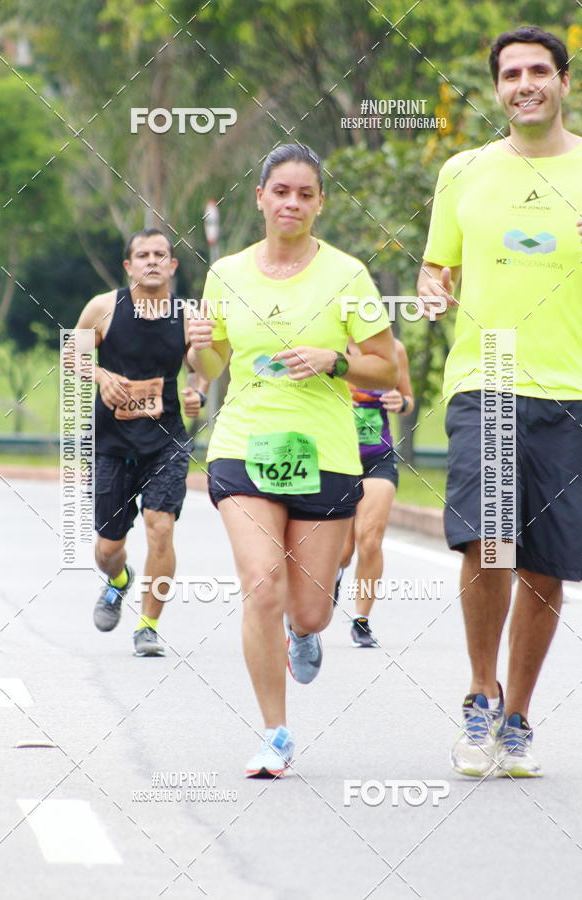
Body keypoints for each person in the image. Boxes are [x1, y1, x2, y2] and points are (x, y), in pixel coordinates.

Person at [187, 143, 397, 778]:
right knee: (260, 587)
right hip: (244, 446)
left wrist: (335, 359)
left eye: (305, 194)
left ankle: (305, 633)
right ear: (260, 198)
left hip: (325, 454)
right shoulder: (225, 273)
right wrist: (198, 349)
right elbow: (212, 366)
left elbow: (384, 361)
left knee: (308, 609)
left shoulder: (346, 274)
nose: (292, 203)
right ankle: (275, 733)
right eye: (281, 191)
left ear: (320, 203)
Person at [418, 26, 582, 777]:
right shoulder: (462, 171)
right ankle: (481, 695)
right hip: (484, 376)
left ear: (563, 81)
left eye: (538, 71)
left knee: (546, 567)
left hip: (573, 388)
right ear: (497, 89)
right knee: (489, 542)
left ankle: (518, 717)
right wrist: (430, 286)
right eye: (511, 73)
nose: (525, 83)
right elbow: (436, 267)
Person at [74, 228, 206, 657]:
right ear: (129, 266)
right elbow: (72, 352)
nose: (152, 260)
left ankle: (148, 626)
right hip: (112, 443)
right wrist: (101, 375)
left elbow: (200, 367)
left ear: (172, 265)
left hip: (166, 441)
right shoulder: (104, 308)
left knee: (160, 528)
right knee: (108, 548)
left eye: (160, 254)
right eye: (142, 254)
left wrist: (197, 392)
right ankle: (117, 580)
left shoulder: (187, 315)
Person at [336, 338, 413, 647]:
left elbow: (407, 398)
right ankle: (335, 576)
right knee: (342, 552)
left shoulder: (394, 350)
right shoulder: (328, 346)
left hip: (378, 457)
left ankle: (361, 621)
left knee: (370, 538)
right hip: (336, 457)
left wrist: (401, 402)